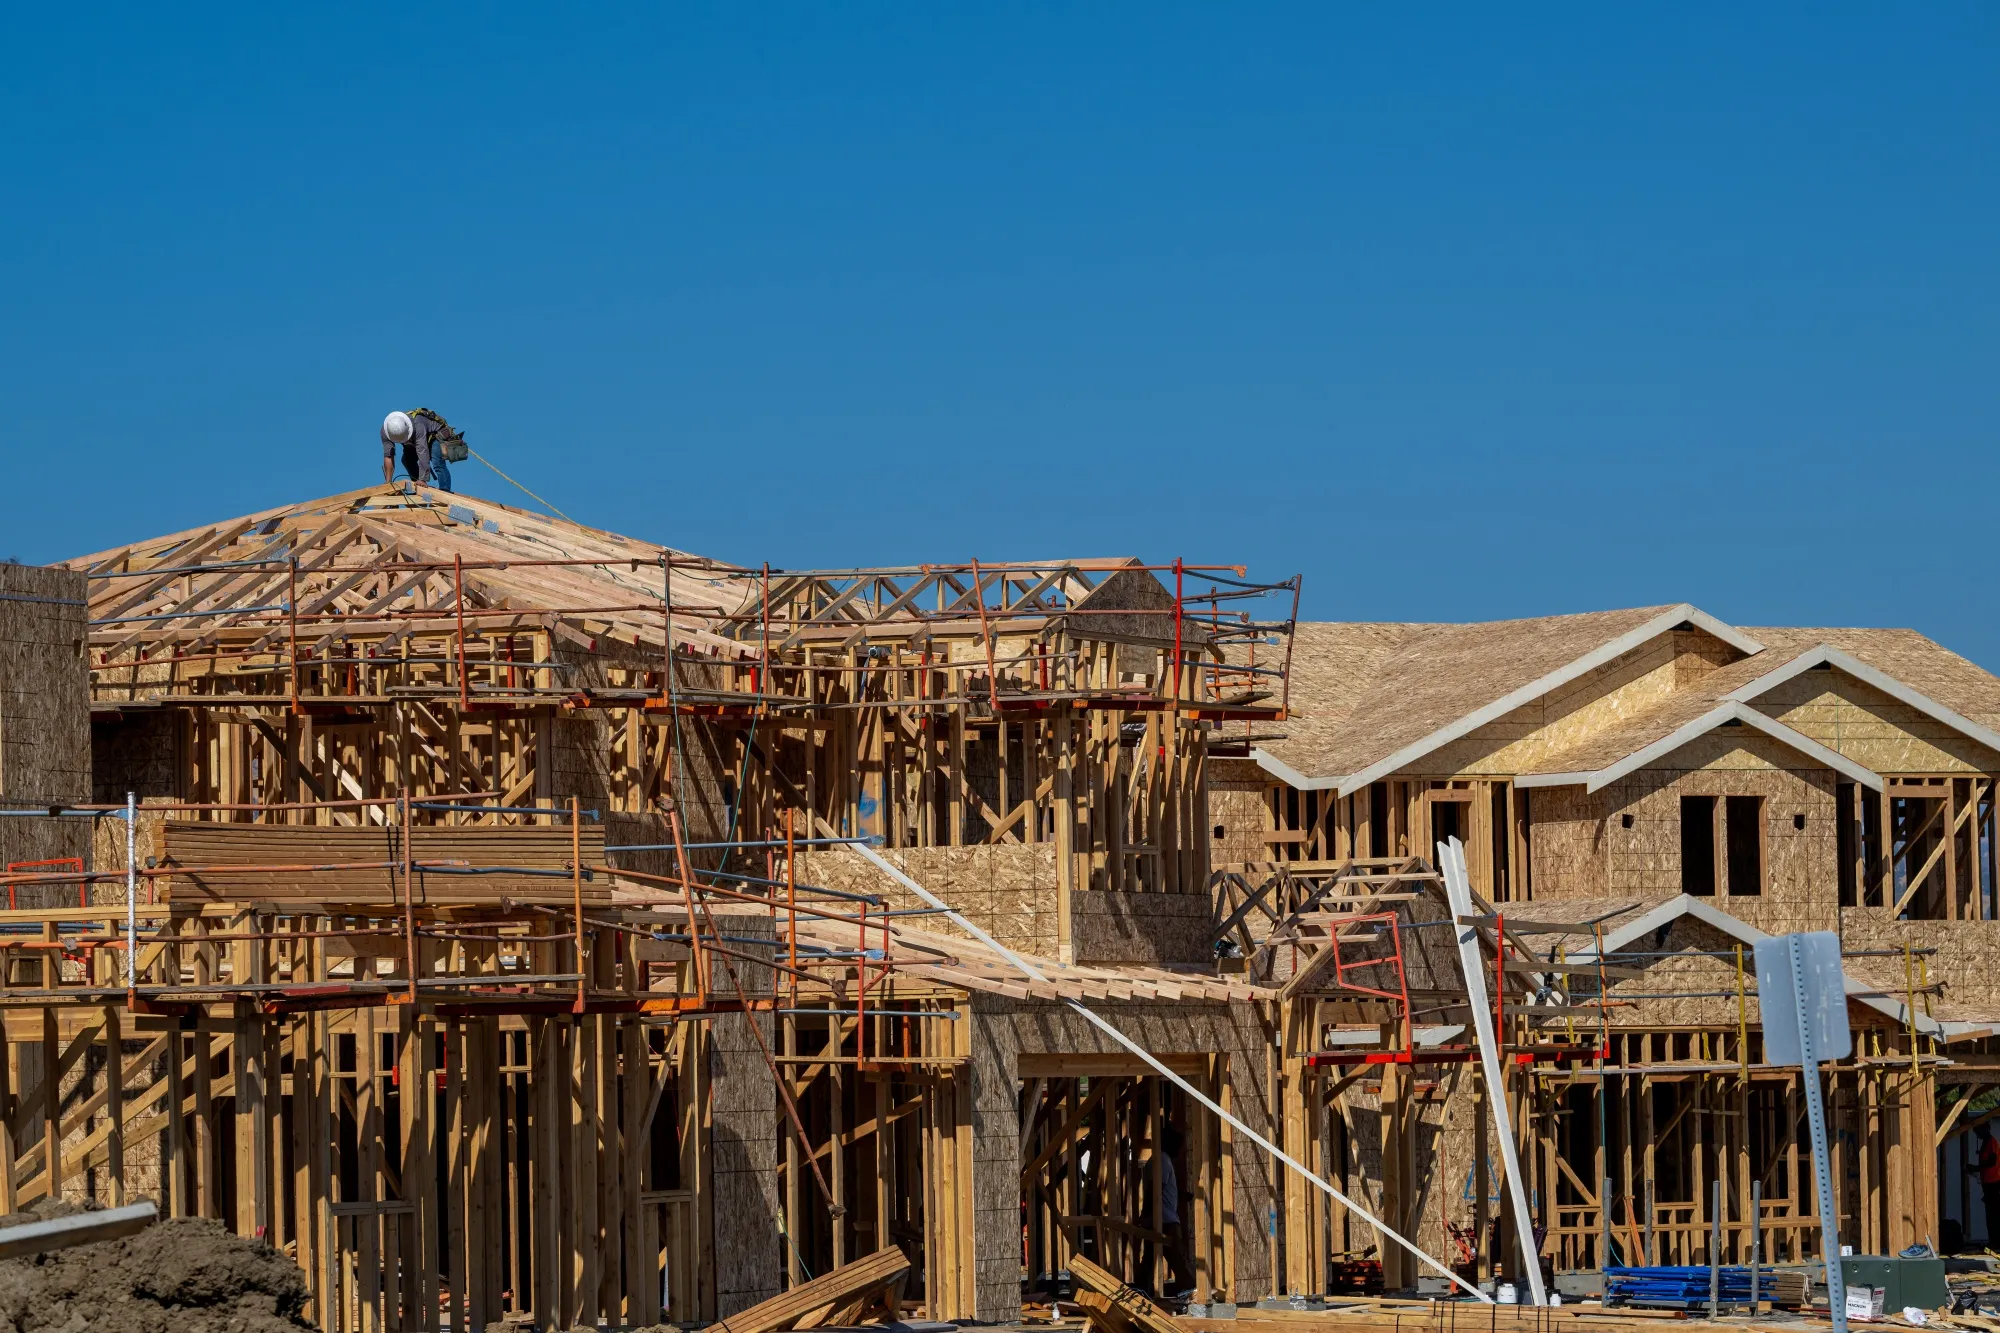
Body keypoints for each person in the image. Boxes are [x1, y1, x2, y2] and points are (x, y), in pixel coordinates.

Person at [380, 408, 464, 492]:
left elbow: (422, 452)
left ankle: (445, 490)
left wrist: (423, 479)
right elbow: (388, 456)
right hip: (413, 442)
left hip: (434, 435)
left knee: (437, 462)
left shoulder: (418, 425)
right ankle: (417, 487)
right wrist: (388, 481)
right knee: (407, 460)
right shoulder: (385, 431)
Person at [1969, 1123, 2000, 1244]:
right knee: (1991, 1214)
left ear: (1985, 1129)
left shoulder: (1991, 1142)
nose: (1977, 1134)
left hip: (1994, 1183)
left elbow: (1992, 1161)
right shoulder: (1985, 1142)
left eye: (1978, 1131)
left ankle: (1996, 1242)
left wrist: (1976, 1168)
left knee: (1994, 1214)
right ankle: (1993, 1241)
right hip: (1988, 1183)